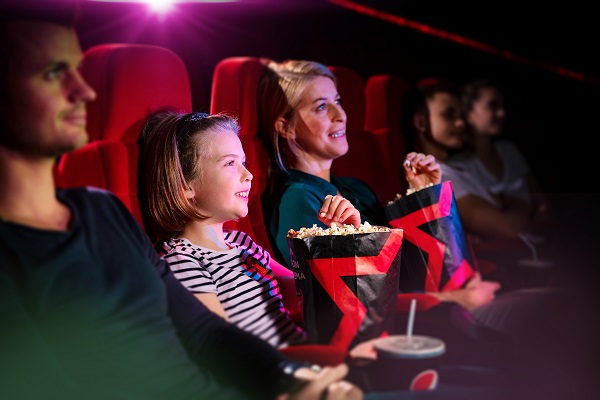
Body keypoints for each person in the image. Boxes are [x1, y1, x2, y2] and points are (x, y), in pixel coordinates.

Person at [0, 4, 363, 400]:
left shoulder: (103, 210)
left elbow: (204, 333)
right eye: (53, 73)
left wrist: (293, 377)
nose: (84, 91)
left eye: (77, 70)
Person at [258, 60, 500, 313]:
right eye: (321, 107)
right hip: (405, 328)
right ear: (286, 127)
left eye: (337, 101)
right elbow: (343, 301)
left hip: (438, 310)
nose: (340, 115)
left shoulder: (356, 189)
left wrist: (422, 195)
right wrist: (453, 300)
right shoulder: (298, 200)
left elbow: (407, 265)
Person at [138, 106, 361, 349]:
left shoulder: (242, 244)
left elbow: (309, 295)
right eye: (230, 163)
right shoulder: (184, 263)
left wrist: (341, 239)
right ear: (185, 184)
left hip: (307, 356)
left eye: (243, 162)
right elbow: (226, 356)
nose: (249, 174)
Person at [401, 77, 546, 243]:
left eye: (461, 115)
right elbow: (509, 229)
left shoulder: (459, 166)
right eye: (449, 115)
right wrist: (520, 198)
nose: (461, 123)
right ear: (421, 122)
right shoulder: (435, 176)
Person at [456, 78, 553, 230]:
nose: (502, 113)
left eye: (502, 106)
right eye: (492, 106)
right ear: (467, 112)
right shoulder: (460, 166)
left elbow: (542, 202)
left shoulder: (508, 150)